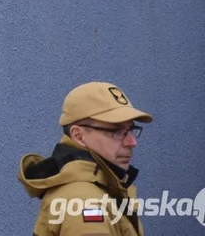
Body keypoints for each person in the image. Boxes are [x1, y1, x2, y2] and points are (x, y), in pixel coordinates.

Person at [19, 81, 153, 235]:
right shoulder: (85, 202)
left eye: (131, 130)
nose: (132, 142)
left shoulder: (97, 190)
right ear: (78, 135)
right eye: (116, 131)